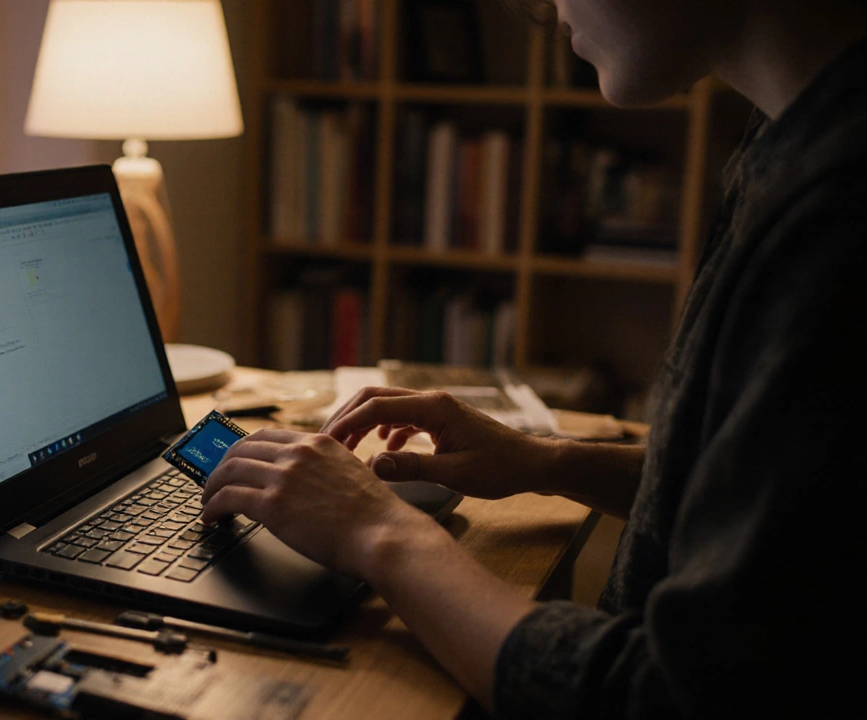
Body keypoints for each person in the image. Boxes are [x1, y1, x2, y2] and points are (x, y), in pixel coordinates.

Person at [200, 1, 867, 717]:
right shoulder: (792, 136)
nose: (544, 10)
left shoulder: (839, 223)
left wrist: (377, 532)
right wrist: (544, 461)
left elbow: (665, 699)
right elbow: (754, 500)